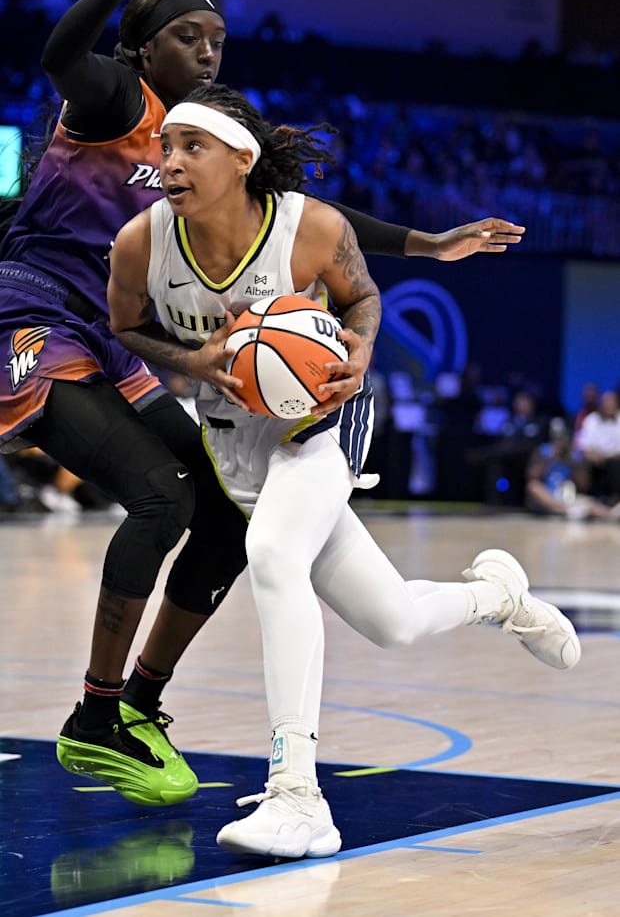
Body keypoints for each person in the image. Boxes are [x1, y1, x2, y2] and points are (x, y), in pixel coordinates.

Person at [0, 0, 527, 806]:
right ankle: (96, 718)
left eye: (216, 38)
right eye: (187, 36)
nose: (209, 51)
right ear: (143, 49)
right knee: (158, 500)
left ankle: (139, 704)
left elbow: (306, 214)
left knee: (221, 509)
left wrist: (428, 243)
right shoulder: (114, 97)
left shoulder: (210, 149)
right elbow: (61, 58)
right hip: (33, 316)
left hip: (112, 338)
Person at [107, 85, 581, 859]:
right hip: (234, 443)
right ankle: (500, 596)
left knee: (271, 554)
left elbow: (362, 300)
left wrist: (359, 353)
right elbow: (125, 324)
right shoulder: (141, 241)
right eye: (166, 147)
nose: (170, 162)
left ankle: (300, 797)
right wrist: (191, 359)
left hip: (320, 423)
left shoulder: (308, 226)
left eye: (193, 147)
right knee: (391, 621)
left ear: (242, 159)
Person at [525, 417, 615, 520]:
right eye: (557, 438)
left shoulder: (575, 456)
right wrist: (550, 459)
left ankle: (612, 515)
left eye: (562, 438)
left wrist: (569, 461)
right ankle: (564, 512)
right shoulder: (543, 451)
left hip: (567, 496)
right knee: (533, 486)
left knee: (591, 504)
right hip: (547, 495)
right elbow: (531, 476)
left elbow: (584, 485)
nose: (559, 442)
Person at [574, 390, 620, 504]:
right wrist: (593, 454)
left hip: (615, 458)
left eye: (612, 402)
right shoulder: (591, 419)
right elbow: (581, 443)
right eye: (606, 402)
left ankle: (615, 500)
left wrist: (608, 456)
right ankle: (584, 498)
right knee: (580, 461)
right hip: (593, 457)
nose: (609, 405)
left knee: (614, 464)